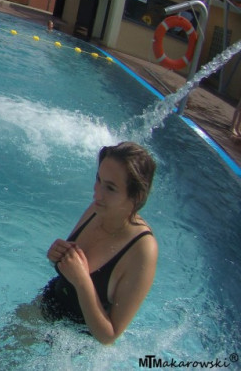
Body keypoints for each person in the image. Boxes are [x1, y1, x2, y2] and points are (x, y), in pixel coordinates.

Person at [40, 142, 158, 344]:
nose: (97, 193)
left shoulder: (142, 250)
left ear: (136, 196)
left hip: (75, 345)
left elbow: (109, 336)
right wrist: (56, 256)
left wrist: (82, 282)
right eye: (98, 179)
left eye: (110, 188)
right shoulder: (97, 209)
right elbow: (69, 269)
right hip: (45, 307)